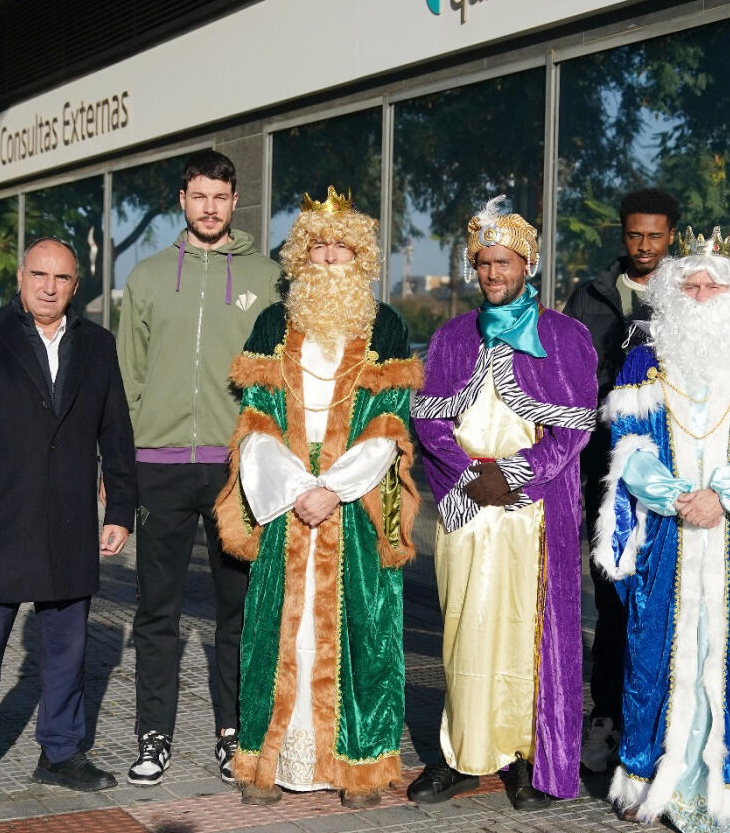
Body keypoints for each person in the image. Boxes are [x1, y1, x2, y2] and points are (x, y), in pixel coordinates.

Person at [213, 188, 423, 808]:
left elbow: (390, 424)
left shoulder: (385, 325)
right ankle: (268, 763)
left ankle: (357, 766)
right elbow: (255, 423)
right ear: (301, 257)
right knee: (277, 631)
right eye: (319, 247)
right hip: (285, 506)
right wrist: (297, 489)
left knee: (361, 631)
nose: (330, 260)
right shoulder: (273, 325)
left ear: (360, 259)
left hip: (355, 508)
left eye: (343, 249)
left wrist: (333, 488)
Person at [596, 227, 730, 832]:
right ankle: (656, 783)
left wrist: (723, 496)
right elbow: (629, 447)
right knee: (654, 653)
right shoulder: (644, 360)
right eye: (688, 283)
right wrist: (672, 497)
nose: (699, 293)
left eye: (712, 284)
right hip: (666, 534)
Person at [0, 237, 139, 818]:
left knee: (68, 649)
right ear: (21, 277)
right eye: (39, 274)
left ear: (77, 285)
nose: (49, 286)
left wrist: (120, 508)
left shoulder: (97, 345)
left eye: (62, 278)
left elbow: (115, 433)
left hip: (69, 522)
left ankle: (61, 752)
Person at [407, 197, 597, 811]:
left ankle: (525, 755)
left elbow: (573, 430)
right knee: (467, 630)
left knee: (527, 632)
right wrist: (471, 478)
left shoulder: (565, 336)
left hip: (532, 512)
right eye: (484, 263)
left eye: (505, 262)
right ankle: (465, 754)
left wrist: (514, 476)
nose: (494, 274)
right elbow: (428, 423)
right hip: (468, 509)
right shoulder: (450, 338)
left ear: (529, 263)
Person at [119, 150, 282, 786]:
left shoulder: (266, 277)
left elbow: (276, 378)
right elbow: (128, 375)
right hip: (156, 466)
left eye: (220, 197)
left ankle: (233, 732)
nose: (209, 208)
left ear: (234, 200)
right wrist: (122, 463)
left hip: (232, 467)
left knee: (235, 612)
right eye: (198, 197)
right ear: (181, 201)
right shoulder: (148, 277)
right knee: (155, 613)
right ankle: (153, 734)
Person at [562, 188, 679, 773]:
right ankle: (606, 718)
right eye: (635, 235)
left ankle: (659, 723)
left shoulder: (692, 292)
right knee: (610, 595)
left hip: (673, 472)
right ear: (623, 235)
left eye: (655, 236)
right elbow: (565, 377)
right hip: (603, 471)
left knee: (663, 598)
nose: (645, 247)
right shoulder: (591, 296)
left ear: (671, 237)